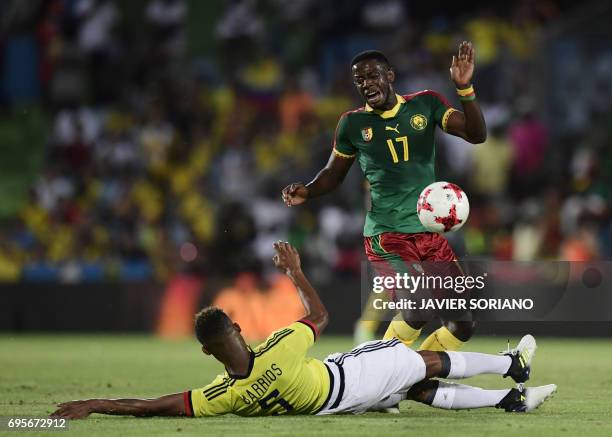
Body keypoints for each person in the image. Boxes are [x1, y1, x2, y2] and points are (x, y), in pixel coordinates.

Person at [51, 242, 555, 419]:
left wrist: (95, 403)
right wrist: (294, 271)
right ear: (239, 328)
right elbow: (319, 317)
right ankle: (513, 366)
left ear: (208, 353)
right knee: (419, 363)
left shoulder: (222, 394)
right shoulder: (278, 347)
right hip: (346, 380)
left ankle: (508, 401)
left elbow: (157, 405)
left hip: (343, 398)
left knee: (418, 386)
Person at [282, 41, 487, 352]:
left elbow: (476, 134)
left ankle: (414, 377)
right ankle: (380, 374)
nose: (366, 84)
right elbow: (333, 174)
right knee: (417, 308)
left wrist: (465, 89)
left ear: (390, 75)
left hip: (428, 235)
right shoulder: (353, 123)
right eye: (359, 80)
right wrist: (308, 190)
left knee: (462, 324)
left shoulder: (426, 105)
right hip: (387, 235)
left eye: (372, 76)